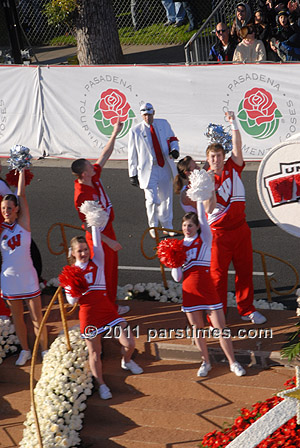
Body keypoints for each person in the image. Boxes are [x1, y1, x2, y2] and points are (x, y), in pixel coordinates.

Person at [64, 225, 143, 400]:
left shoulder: (97, 262)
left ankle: (127, 361)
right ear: (73, 253)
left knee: (129, 342)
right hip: (89, 315)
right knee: (94, 353)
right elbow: (71, 302)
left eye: (85, 249)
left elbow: (97, 244)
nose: (84, 253)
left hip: (107, 311)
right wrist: (74, 289)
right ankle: (101, 384)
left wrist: (93, 222)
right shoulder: (71, 273)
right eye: (80, 251)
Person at [204, 111, 266, 324]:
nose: (217, 160)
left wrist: (234, 123)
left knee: (245, 271)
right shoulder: (203, 179)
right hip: (218, 235)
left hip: (240, 229)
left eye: (219, 156)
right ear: (207, 159)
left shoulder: (233, 167)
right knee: (218, 278)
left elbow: (238, 147)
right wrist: (210, 187)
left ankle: (246, 309)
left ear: (224, 156)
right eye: (213, 157)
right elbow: (208, 208)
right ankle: (216, 319)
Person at [171, 204, 246, 377]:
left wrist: (199, 198)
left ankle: (233, 362)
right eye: (184, 225)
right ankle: (205, 362)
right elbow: (177, 278)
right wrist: (173, 262)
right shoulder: (178, 246)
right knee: (197, 329)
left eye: (190, 225)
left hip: (208, 291)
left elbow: (204, 220)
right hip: (189, 292)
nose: (186, 228)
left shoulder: (205, 239)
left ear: (197, 227)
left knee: (221, 328)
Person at [72, 119, 129, 315]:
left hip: (107, 231)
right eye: (89, 165)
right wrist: (108, 241)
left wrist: (115, 133)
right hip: (98, 237)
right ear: (84, 173)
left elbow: (105, 154)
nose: (92, 165)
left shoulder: (92, 177)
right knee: (103, 274)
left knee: (112, 273)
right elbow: (87, 226)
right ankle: (107, 309)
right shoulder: (81, 195)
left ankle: (110, 305)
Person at [0, 169, 48, 365]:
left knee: (37, 317)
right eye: (3, 209)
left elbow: (21, 195)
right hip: (9, 280)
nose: (5, 212)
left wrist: (20, 171)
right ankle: (25, 350)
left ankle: (44, 349)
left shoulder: (24, 224)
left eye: (9, 208)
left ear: (17, 209)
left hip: (28, 276)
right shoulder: (0, 229)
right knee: (17, 318)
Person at [128, 102, 179, 238]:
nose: (147, 118)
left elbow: (173, 139)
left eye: (149, 115)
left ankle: (167, 226)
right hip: (147, 170)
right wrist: (132, 174)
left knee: (166, 198)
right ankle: (153, 226)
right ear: (141, 115)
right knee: (151, 200)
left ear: (153, 113)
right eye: (144, 115)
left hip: (164, 167)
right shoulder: (135, 131)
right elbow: (132, 154)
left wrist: (175, 150)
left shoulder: (163, 124)